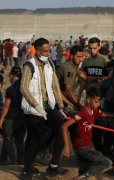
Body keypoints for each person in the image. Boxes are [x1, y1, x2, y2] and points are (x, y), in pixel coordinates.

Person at [20, 38, 68, 179]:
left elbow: (55, 86)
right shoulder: (29, 65)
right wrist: (36, 106)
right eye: (46, 51)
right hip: (34, 108)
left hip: (49, 105)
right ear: (37, 50)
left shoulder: (50, 64)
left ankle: (54, 166)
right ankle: (26, 171)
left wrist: (60, 106)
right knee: (34, 137)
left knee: (61, 128)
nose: (48, 53)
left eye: (49, 50)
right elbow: (23, 88)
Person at [62, 87, 114, 179]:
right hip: (82, 148)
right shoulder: (82, 113)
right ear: (88, 99)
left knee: (84, 169)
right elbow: (64, 126)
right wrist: (67, 146)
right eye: (96, 101)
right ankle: (81, 177)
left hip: (88, 146)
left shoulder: (94, 111)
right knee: (107, 163)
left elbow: (103, 114)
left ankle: (82, 176)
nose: (98, 104)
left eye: (99, 101)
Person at [0, 66, 25, 165]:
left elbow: (6, 106)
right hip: (23, 117)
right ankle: (21, 160)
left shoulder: (11, 89)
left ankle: (12, 159)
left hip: (11, 117)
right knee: (20, 140)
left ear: (11, 75)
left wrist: (1, 119)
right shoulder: (25, 88)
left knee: (8, 138)